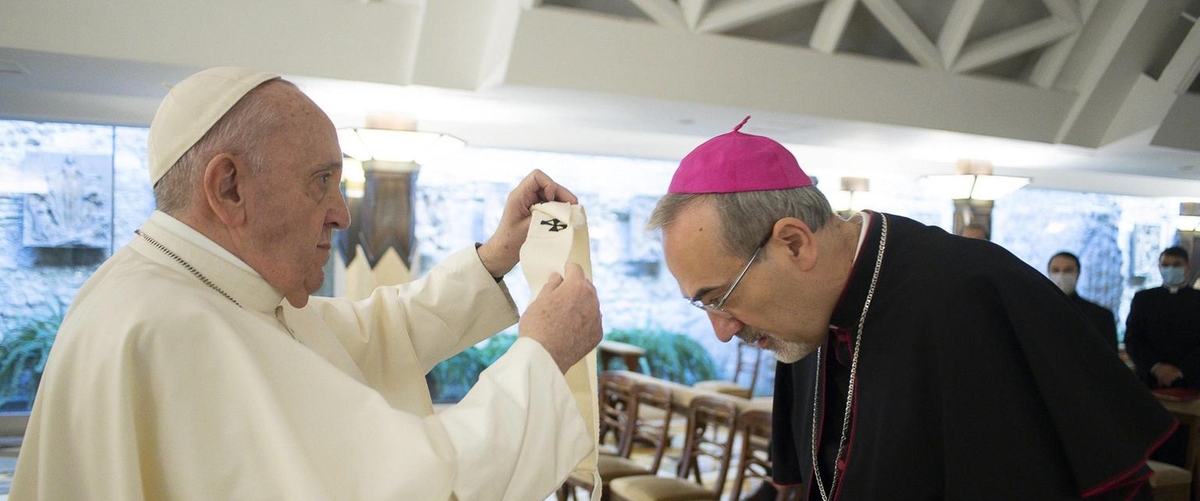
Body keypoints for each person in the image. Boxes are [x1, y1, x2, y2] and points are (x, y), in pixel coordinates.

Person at [11, 67, 602, 500]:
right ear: (229, 189)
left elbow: (380, 330)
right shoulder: (174, 325)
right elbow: (424, 486)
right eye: (320, 181)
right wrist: (541, 355)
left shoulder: (204, 290)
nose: (341, 216)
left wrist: (495, 256)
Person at [648, 117, 1174, 500]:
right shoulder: (800, 322)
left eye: (720, 297)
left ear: (793, 244)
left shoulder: (971, 297)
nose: (722, 329)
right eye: (702, 305)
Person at [1125, 246, 1200, 390]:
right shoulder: (1144, 299)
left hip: (1192, 380)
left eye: (1177, 265)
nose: (1170, 269)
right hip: (1149, 380)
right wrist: (1156, 367)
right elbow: (1133, 338)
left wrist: (1180, 371)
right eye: (1165, 265)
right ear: (1159, 267)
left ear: (1187, 266)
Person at [1047, 251, 1118, 351]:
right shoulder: (1035, 312)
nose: (1061, 275)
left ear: (1078, 273)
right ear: (1048, 273)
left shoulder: (1100, 316)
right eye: (1055, 270)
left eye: (1068, 270)